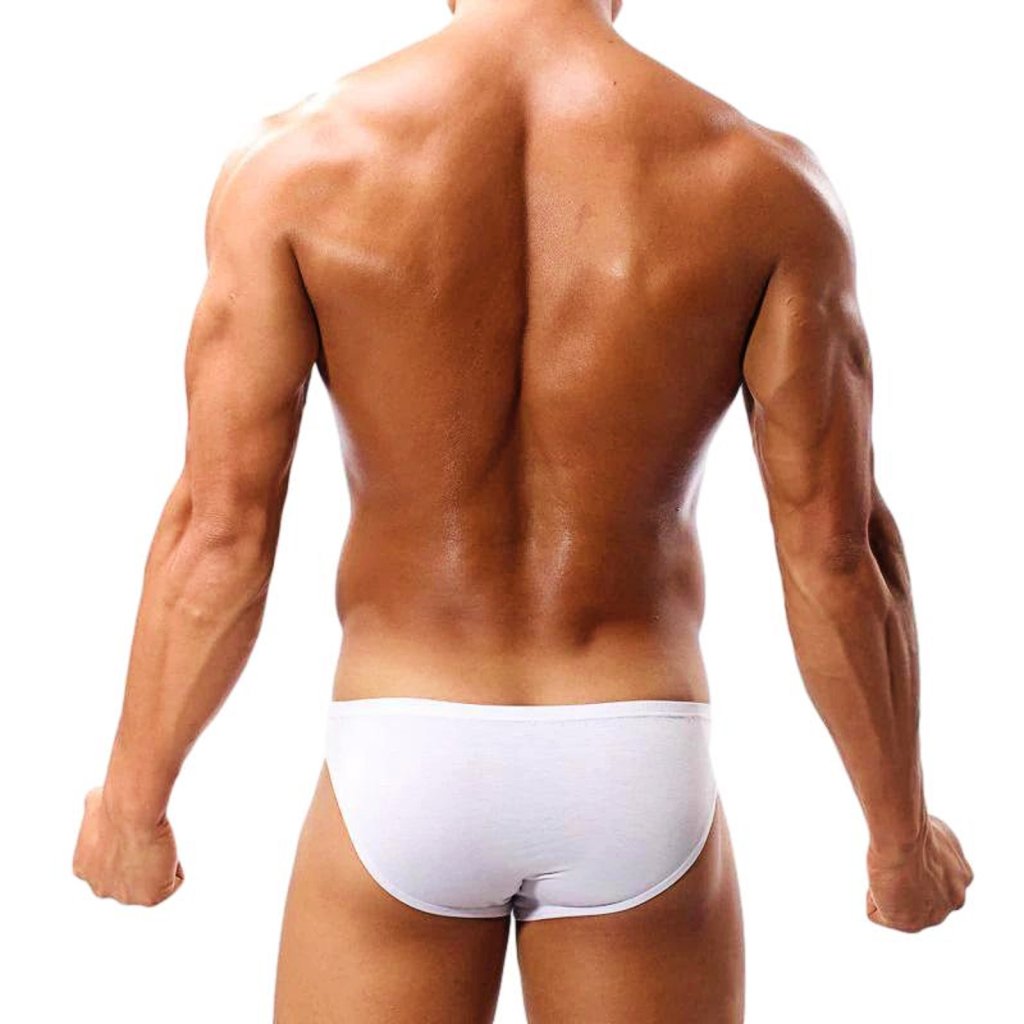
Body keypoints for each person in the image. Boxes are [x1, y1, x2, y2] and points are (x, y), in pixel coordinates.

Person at [72, 0, 973, 1020]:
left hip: (406, 739)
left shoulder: (295, 168)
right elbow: (837, 554)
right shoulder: (763, 184)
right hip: (634, 748)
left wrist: (133, 809)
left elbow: (218, 533)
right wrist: (899, 842)